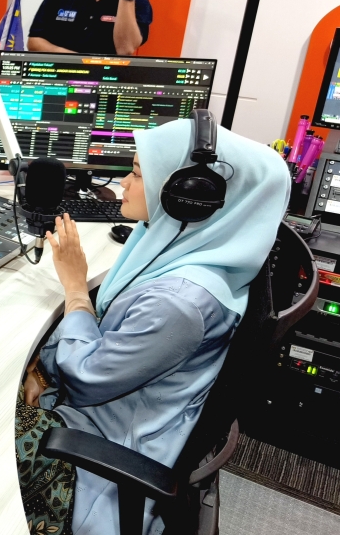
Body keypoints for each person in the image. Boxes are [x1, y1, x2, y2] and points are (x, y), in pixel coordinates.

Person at [15, 118, 289, 534]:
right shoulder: (194, 250)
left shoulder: (181, 304)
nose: (124, 183)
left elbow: (85, 378)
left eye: (138, 174)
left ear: (190, 200)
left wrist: (74, 289)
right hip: (107, 415)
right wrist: (39, 366)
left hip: (99, 459)